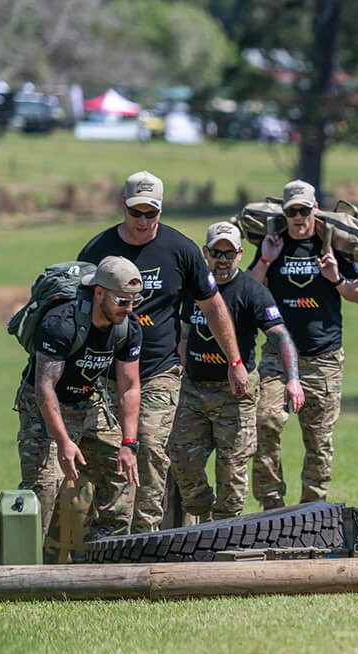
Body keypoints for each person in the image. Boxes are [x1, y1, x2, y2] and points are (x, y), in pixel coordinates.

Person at [78, 171, 249, 533]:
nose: (143, 221)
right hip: (107, 372)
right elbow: (80, 313)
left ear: (161, 209)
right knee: (108, 457)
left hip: (159, 370)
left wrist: (234, 361)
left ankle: (146, 535)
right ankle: (107, 536)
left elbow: (214, 307)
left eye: (151, 213)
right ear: (122, 207)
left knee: (152, 449)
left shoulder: (181, 249)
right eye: (136, 212)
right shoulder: (97, 250)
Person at [248, 179, 358, 508]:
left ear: (315, 209)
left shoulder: (332, 244)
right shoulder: (273, 244)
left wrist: (336, 278)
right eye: (293, 211)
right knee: (265, 421)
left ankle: (312, 510)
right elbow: (248, 293)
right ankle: (271, 507)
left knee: (319, 441)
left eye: (305, 210)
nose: (299, 217)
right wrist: (265, 260)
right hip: (277, 355)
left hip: (324, 359)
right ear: (285, 213)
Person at [169, 222, 304, 520]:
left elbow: (281, 336)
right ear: (205, 253)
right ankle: (202, 519)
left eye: (229, 253)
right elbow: (183, 332)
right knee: (181, 460)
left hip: (235, 395)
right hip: (194, 390)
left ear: (241, 254)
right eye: (216, 252)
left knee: (232, 474)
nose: (223, 260)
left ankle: (224, 532)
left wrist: (293, 379)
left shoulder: (251, 291)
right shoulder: (194, 289)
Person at [15, 256, 143, 558]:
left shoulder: (128, 328)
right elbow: (45, 387)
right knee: (44, 488)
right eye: (122, 302)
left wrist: (128, 443)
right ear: (99, 293)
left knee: (123, 473)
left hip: (89, 403)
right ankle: (26, 567)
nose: (130, 309)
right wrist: (63, 442)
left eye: (134, 301)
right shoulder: (61, 324)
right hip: (45, 408)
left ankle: (105, 561)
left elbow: (129, 387)